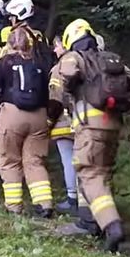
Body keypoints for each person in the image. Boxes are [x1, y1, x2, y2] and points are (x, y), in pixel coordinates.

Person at [52, 18, 130, 252]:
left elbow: (66, 74)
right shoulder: (107, 57)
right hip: (113, 125)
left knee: (90, 175)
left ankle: (112, 225)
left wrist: (72, 88)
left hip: (89, 125)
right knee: (102, 173)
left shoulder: (74, 57)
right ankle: (91, 221)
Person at [0, 25, 54, 215]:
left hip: (11, 115)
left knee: (10, 160)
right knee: (35, 162)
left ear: (9, 44)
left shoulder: (2, 64)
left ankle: (14, 206)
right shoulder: (40, 65)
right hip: (39, 117)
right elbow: (47, 92)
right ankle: (44, 204)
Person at [48, 37, 81, 214]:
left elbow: (56, 97)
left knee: (68, 160)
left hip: (63, 122)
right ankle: (86, 200)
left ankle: (72, 198)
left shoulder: (60, 68)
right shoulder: (86, 62)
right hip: (85, 121)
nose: (55, 50)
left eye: (57, 45)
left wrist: (48, 122)